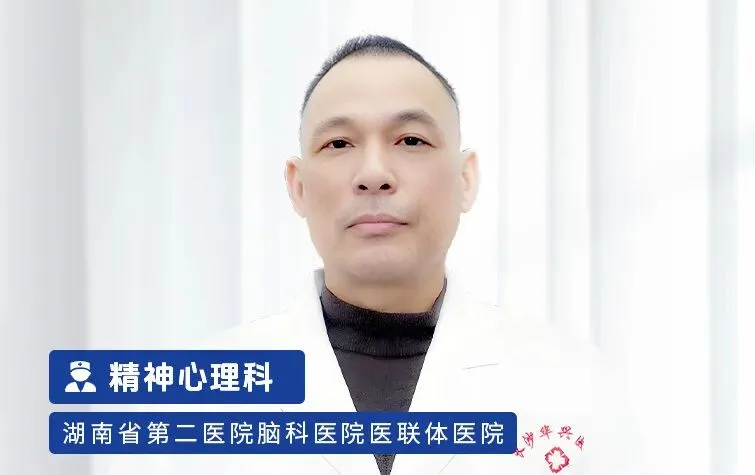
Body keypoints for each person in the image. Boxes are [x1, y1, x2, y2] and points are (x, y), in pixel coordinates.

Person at [109, 35, 648, 475]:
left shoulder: (573, 387)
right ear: (298, 186)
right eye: (339, 144)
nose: (373, 174)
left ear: (465, 179)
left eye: (410, 141)